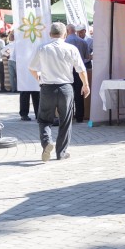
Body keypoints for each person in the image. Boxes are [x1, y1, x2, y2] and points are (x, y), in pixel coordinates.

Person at [28, 22, 90, 161]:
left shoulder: (42, 48)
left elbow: (31, 67)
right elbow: (81, 69)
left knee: (44, 119)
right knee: (66, 121)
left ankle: (47, 142)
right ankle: (61, 153)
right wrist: (85, 85)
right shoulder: (71, 48)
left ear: (50, 34)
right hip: (65, 87)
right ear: (65, 34)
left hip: (47, 88)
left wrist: (38, 78)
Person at [65, 24, 90, 123]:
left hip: (68, 70)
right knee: (80, 93)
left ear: (67, 31)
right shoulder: (83, 42)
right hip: (80, 69)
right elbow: (87, 57)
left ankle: (69, 116)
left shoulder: (65, 42)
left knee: (68, 93)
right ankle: (80, 116)